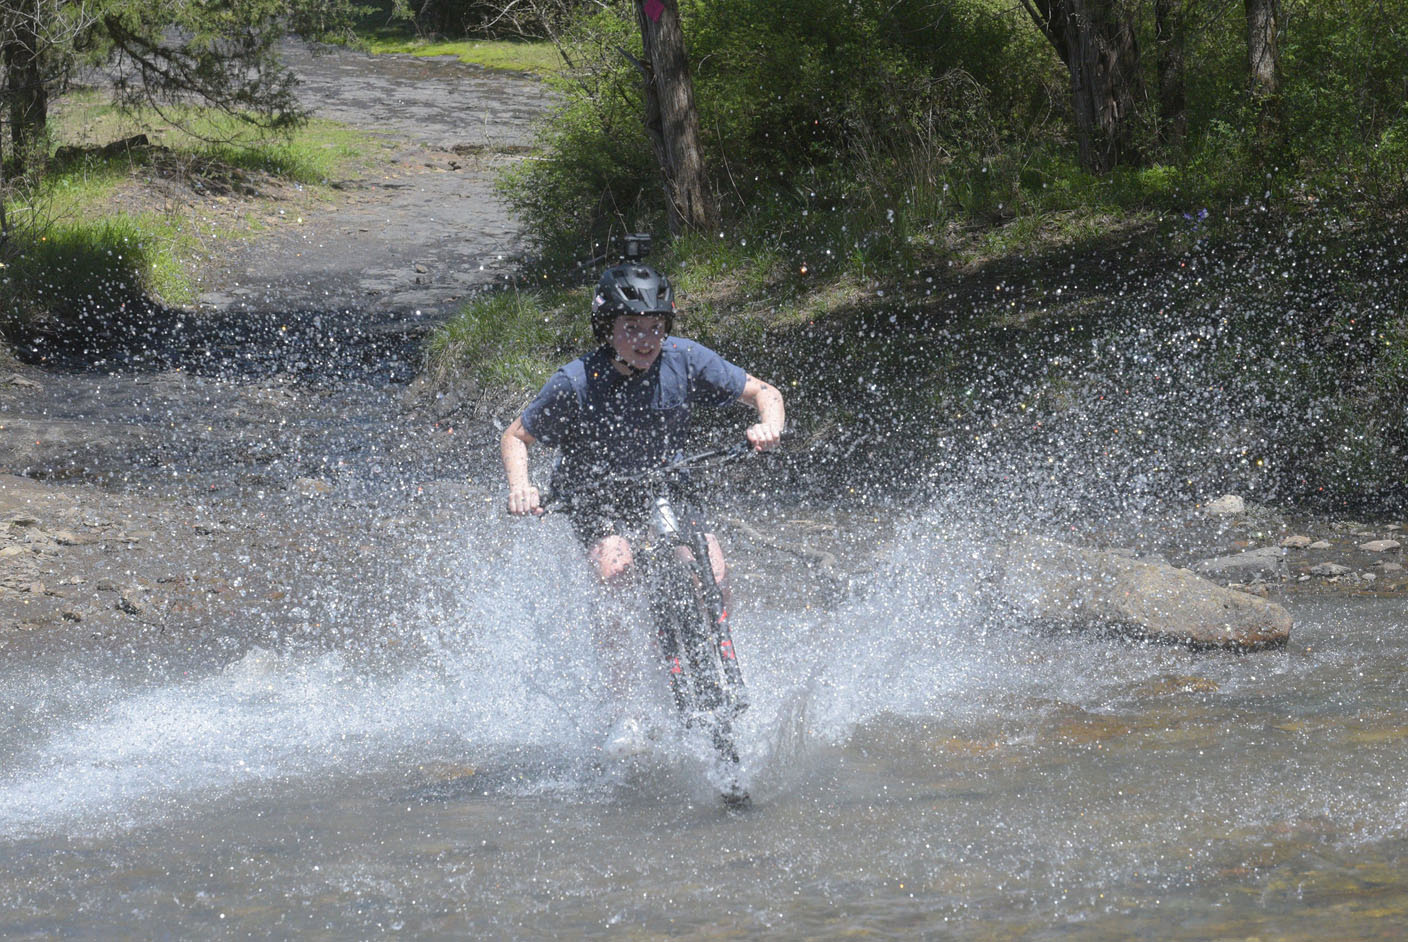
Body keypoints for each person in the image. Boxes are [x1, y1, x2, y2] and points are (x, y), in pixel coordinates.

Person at [500, 261, 785, 756]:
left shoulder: (686, 358)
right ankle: (625, 708)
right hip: (596, 491)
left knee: (712, 571)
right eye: (631, 328)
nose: (645, 340)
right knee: (616, 567)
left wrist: (768, 427)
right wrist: (521, 486)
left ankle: (717, 649)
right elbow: (515, 436)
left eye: (654, 328)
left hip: (666, 484)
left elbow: (765, 393)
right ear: (607, 329)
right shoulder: (575, 382)